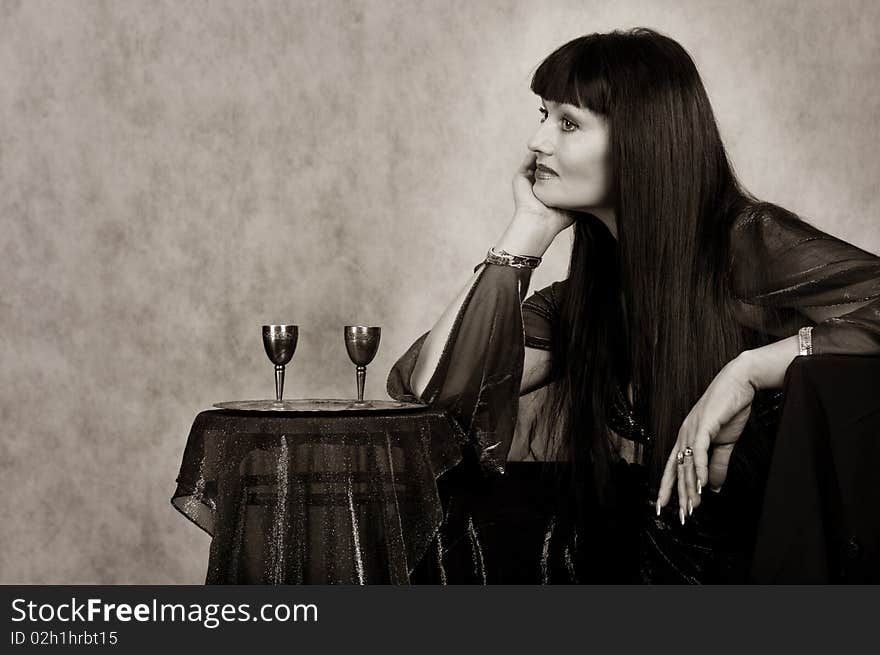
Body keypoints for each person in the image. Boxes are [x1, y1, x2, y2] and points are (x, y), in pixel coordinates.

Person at [387, 28, 880, 583]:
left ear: (639, 141)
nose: (538, 142)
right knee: (462, 531)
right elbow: (431, 394)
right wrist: (525, 234)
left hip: (758, 567)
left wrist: (751, 370)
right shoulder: (592, 293)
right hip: (660, 557)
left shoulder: (747, 243)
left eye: (567, 123)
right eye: (542, 114)